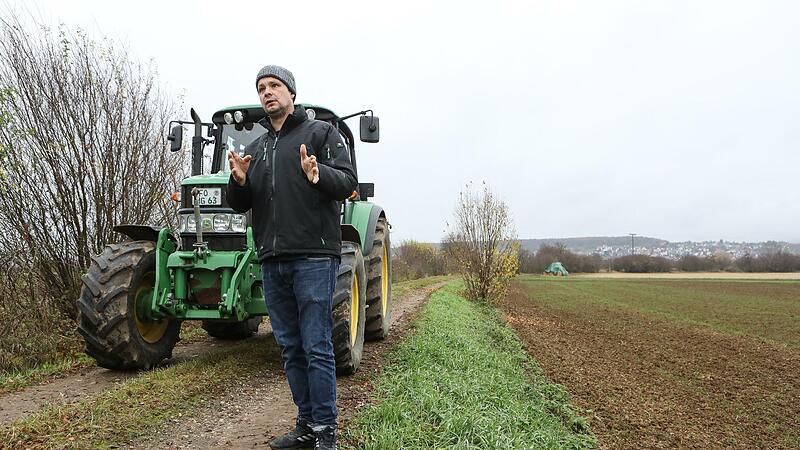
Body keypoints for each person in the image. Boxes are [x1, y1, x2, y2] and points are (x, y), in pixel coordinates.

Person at [226, 65, 357, 450]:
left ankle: (325, 432)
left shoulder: (321, 134)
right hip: (272, 259)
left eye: (275, 86)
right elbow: (240, 206)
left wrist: (319, 174)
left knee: (316, 344)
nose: (268, 93)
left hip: (314, 257)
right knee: (290, 346)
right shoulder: (256, 149)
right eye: (261, 88)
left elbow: (347, 181)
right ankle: (305, 424)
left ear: (291, 93)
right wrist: (238, 183)